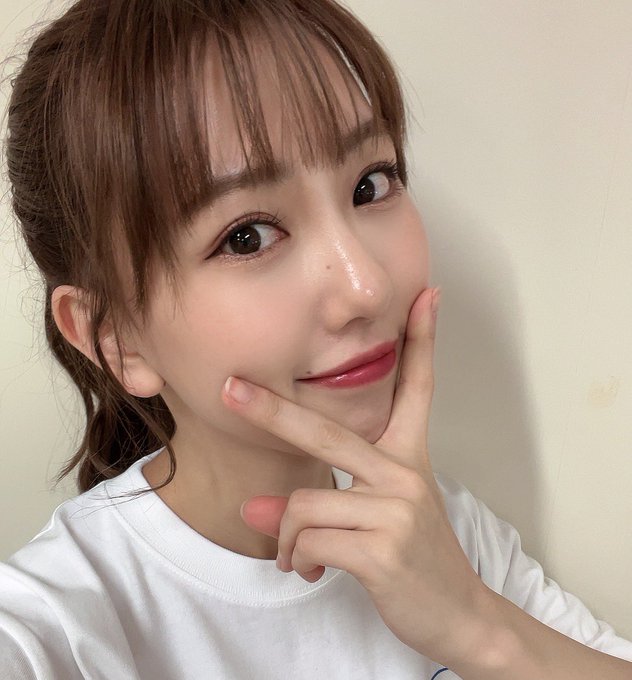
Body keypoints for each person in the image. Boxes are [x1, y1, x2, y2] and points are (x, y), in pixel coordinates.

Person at [1, 0, 631, 678]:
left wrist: (478, 629)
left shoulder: (444, 532)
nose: (366, 288)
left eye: (370, 184)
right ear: (116, 337)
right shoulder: (54, 628)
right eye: (247, 236)